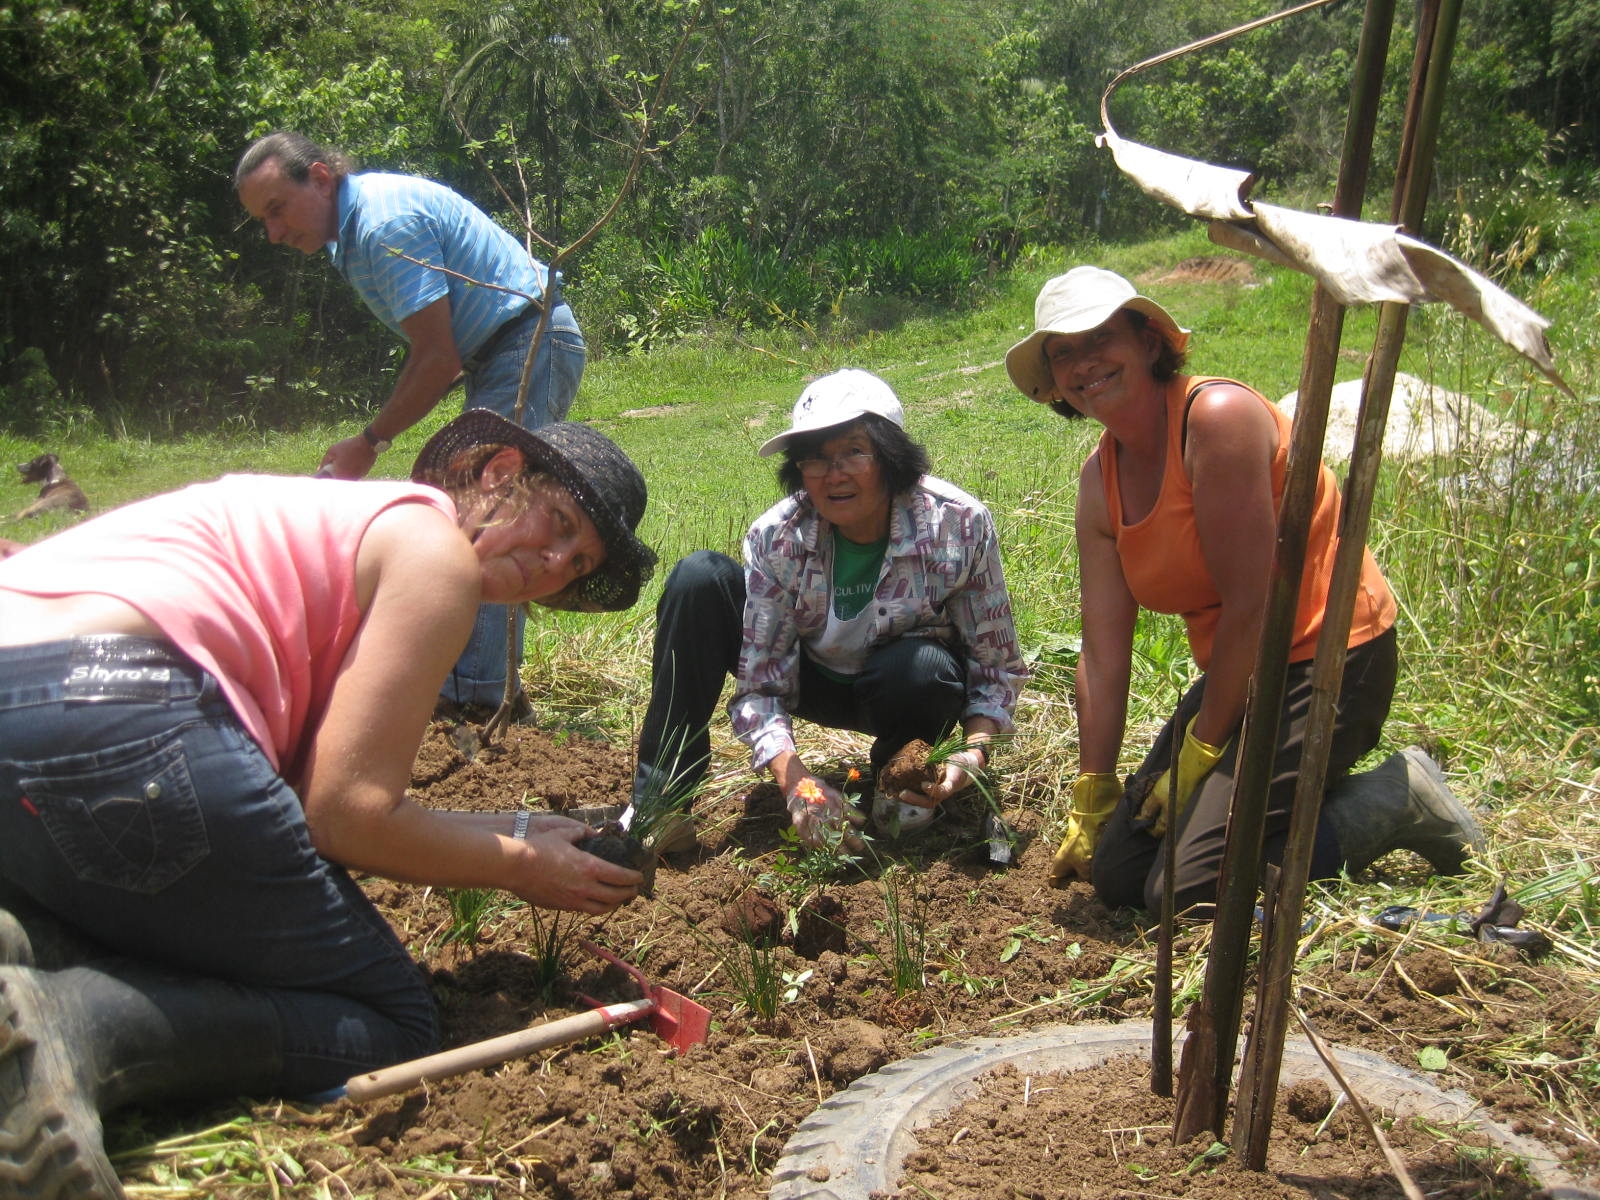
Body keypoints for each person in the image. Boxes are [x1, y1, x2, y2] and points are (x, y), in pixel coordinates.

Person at [0, 409, 655, 1197]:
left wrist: (519, 827)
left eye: (576, 564)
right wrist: (520, 866)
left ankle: (29, 940)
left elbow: (312, 796)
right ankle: (70, 1027)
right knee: (390, 1021)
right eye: (559, 523)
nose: (551, 564)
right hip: (124, 713)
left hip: (31, 703)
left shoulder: (356, 519)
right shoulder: (437, 555)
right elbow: (345, 816)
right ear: (499, 473)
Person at [1006, 266, 1484, 916]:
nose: (1084, 363)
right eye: (1063, 353)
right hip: (1242, 671)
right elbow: (1102, 654)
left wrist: (1201, 751)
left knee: (1184, 891)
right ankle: (1261, 813)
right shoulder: (1100, 479)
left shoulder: (1216, 419)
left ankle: (1395, 801)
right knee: (1118, 874)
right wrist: (1094, 788)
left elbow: (1253, 604)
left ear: (1148, 341)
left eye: (1100, 338)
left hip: (1329, 659)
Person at [234, 131, 587, 712]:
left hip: (528, 341)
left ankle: (478, 696)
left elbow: (436, 359)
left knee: (488, 515)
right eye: (262, 220)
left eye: (277, 209)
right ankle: (479, 685)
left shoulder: (382, 226)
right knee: (467, 506)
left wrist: (369, 441)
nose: (273, 232)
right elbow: (440, 355)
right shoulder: (352, 233)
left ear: (319, 178)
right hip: (505, 349)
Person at [634, 369, 1026, 849]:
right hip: (811, 680)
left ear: (891, 457)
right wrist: (797, 784)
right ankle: (662, 805)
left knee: (920, 667)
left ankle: (904, 786)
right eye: (815, 458)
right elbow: (761, 686)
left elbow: (995, 667)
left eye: (854, 452)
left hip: (903, 687)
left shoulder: (957, 524)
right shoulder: (777, 537)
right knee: (699, 579)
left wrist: (973, 754)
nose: (833, 474)